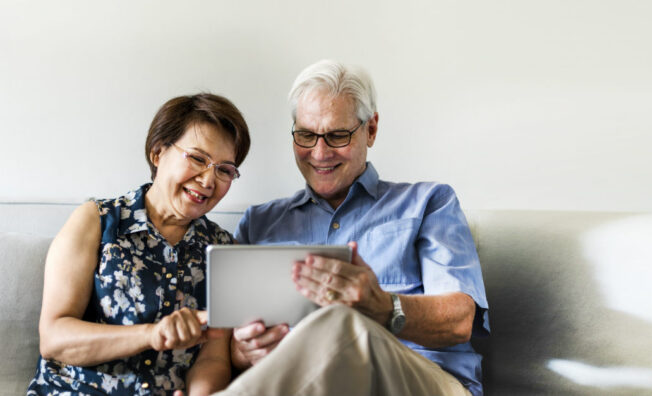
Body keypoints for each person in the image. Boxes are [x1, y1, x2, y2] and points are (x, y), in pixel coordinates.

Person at [223, 60, 489, 396]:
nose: (319, 153)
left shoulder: (428, 203)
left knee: (341, 321)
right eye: (306, 135)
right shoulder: (257, 224)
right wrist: (242, 353)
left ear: (371, 129)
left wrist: (384, 307)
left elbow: (460, 321)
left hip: (425, 383)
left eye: (337, 135)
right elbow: (228, 345)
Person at [27, 93, 251, 395]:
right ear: (158, 153)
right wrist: (151, 334)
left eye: (224, 170)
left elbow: (212, 358)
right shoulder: (96, 221)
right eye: (198, 158)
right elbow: (54, 338)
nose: (209, 180)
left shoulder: (224, 249)